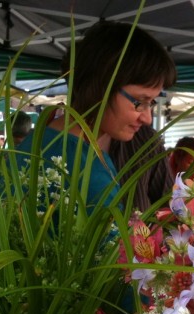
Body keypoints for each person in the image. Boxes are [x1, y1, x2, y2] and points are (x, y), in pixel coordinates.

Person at [16, 21, 176, 212]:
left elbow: (169, 209)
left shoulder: (144, 143)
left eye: (152, 103)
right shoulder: (45, 156)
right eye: (139, 101)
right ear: (101, 88)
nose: (147, 118)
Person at [109, 124, 174, 212]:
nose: (148, 118)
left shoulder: (145, 139)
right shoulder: (85, 154)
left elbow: (168, 205)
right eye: (137, 109)